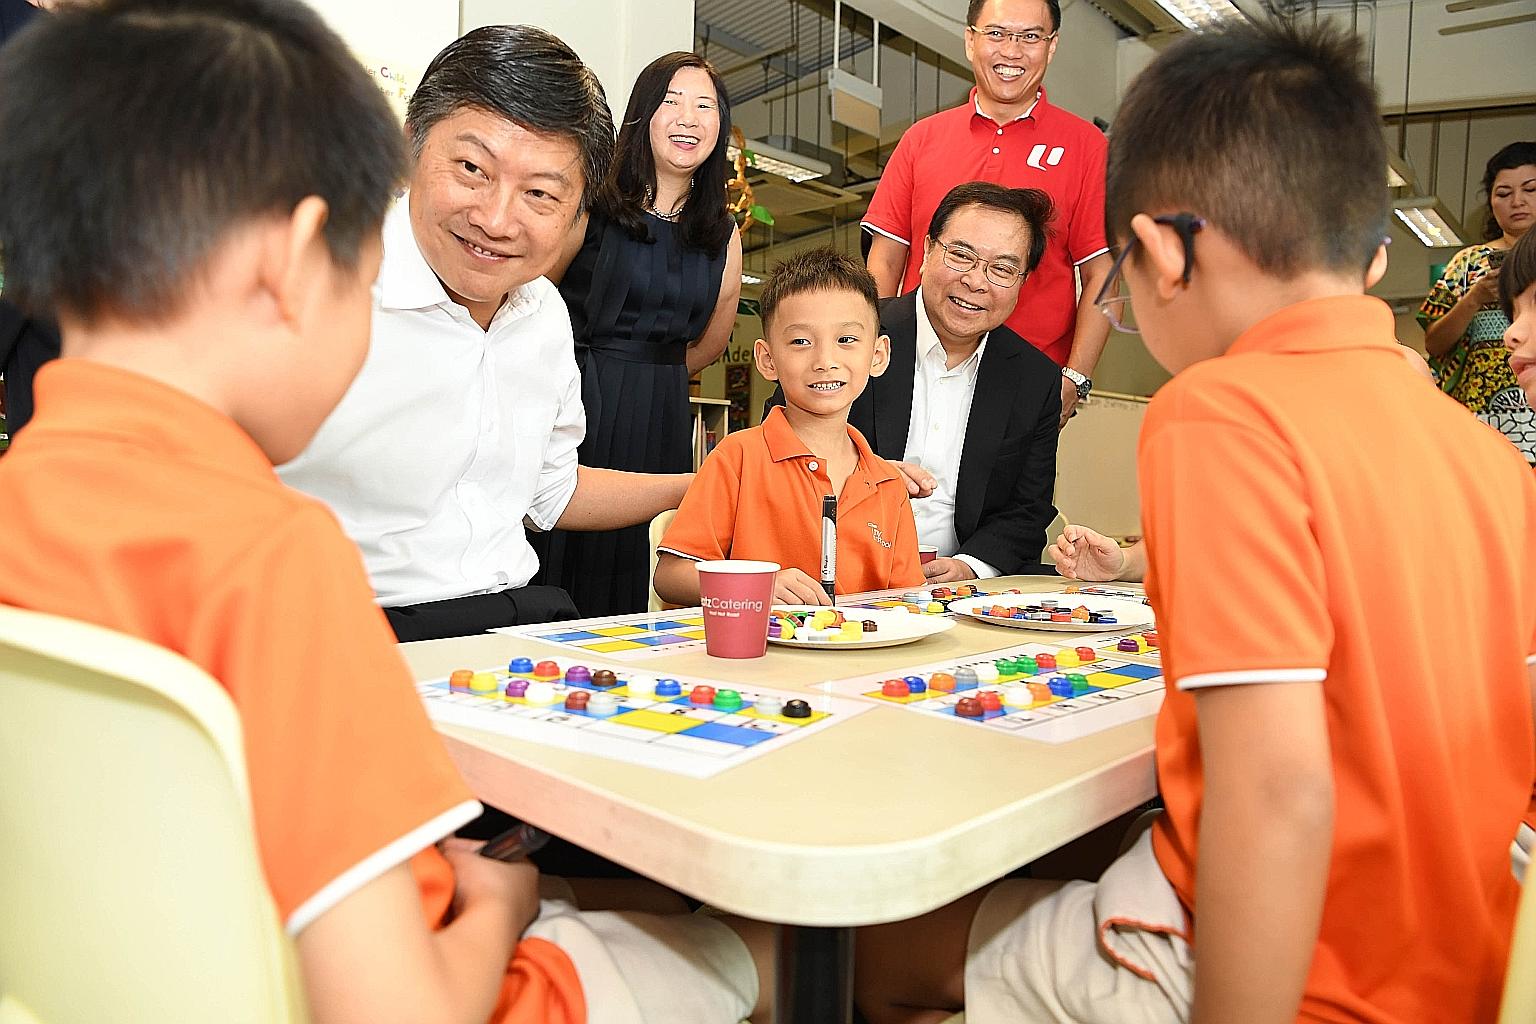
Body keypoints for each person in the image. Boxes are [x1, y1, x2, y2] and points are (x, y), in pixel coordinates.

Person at [0, 3, 767, 1023]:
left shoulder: (30, 491)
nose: (501, 216)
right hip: (424, 972)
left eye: (542, 193)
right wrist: (501, 905)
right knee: (763, 935)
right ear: (296, 260)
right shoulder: (279, 556)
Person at [854, 21, 1536, 1024]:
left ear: (1166, 250)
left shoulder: (1222, 410)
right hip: (1468, 957)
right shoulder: (1487, 453)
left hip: (1309, 967)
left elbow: (1277, 799)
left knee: (866, 946)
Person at [278, 26, 692, 642]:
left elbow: (549, 492)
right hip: (341, 632)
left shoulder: (544, 314)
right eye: (472, 168)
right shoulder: (310, 283)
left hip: (509, 627)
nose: (497, 220)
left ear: (581, 211)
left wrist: (701, 483)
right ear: (410, 145)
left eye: (540, 194)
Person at [533, 52, 743, 618]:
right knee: (562, 545)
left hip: (663, 406)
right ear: (643, 115)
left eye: (705, 107)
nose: (688, 118)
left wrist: (656, 369)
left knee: (639, 557)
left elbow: (712, 342)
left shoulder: (721, 232)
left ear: (719, 128)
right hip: (578, 398)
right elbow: (533, 299)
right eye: (671, 102)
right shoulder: (593, 202)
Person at [771, 181, 1062, 582]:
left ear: (1022, 282)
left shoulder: (1036, 380)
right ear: (926, 251)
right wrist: (864, 479)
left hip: (964, 590)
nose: (977, 282)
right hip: (836, 572)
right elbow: (779, 456)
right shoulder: (848, 337)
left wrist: (968, 567)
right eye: (961, 255)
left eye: (1002, 269)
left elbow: (1028, 509)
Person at [861, 0, 1110, 427]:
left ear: (1051, 48)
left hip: (1025, 384)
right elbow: (885, 259)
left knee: (1011, 497)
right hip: (910, 370)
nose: (1012, 51)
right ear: (970, 40)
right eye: (996, 33)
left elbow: (1103, 277)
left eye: (1030, 36)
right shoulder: (922, 139)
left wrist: (1075, 379)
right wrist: (870, 348)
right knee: (888, 490)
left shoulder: (1087, 147)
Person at [653, 248, 923, 606]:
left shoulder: (889, 484)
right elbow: (671, 577)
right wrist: (756, 587)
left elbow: (909, 600)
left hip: (861, 658)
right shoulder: (737, 458)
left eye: (846, 340)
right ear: (767, 360)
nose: (825, 361)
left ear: (878, 356)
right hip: (759, 657)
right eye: (800, 342)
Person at [1419, 140, 1536, 463]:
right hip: (1483, 415)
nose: (1517, 202)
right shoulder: (1467, 263)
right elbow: (1434, 343)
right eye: (1503, 194)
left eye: (1530, 189)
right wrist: (1474, 298)